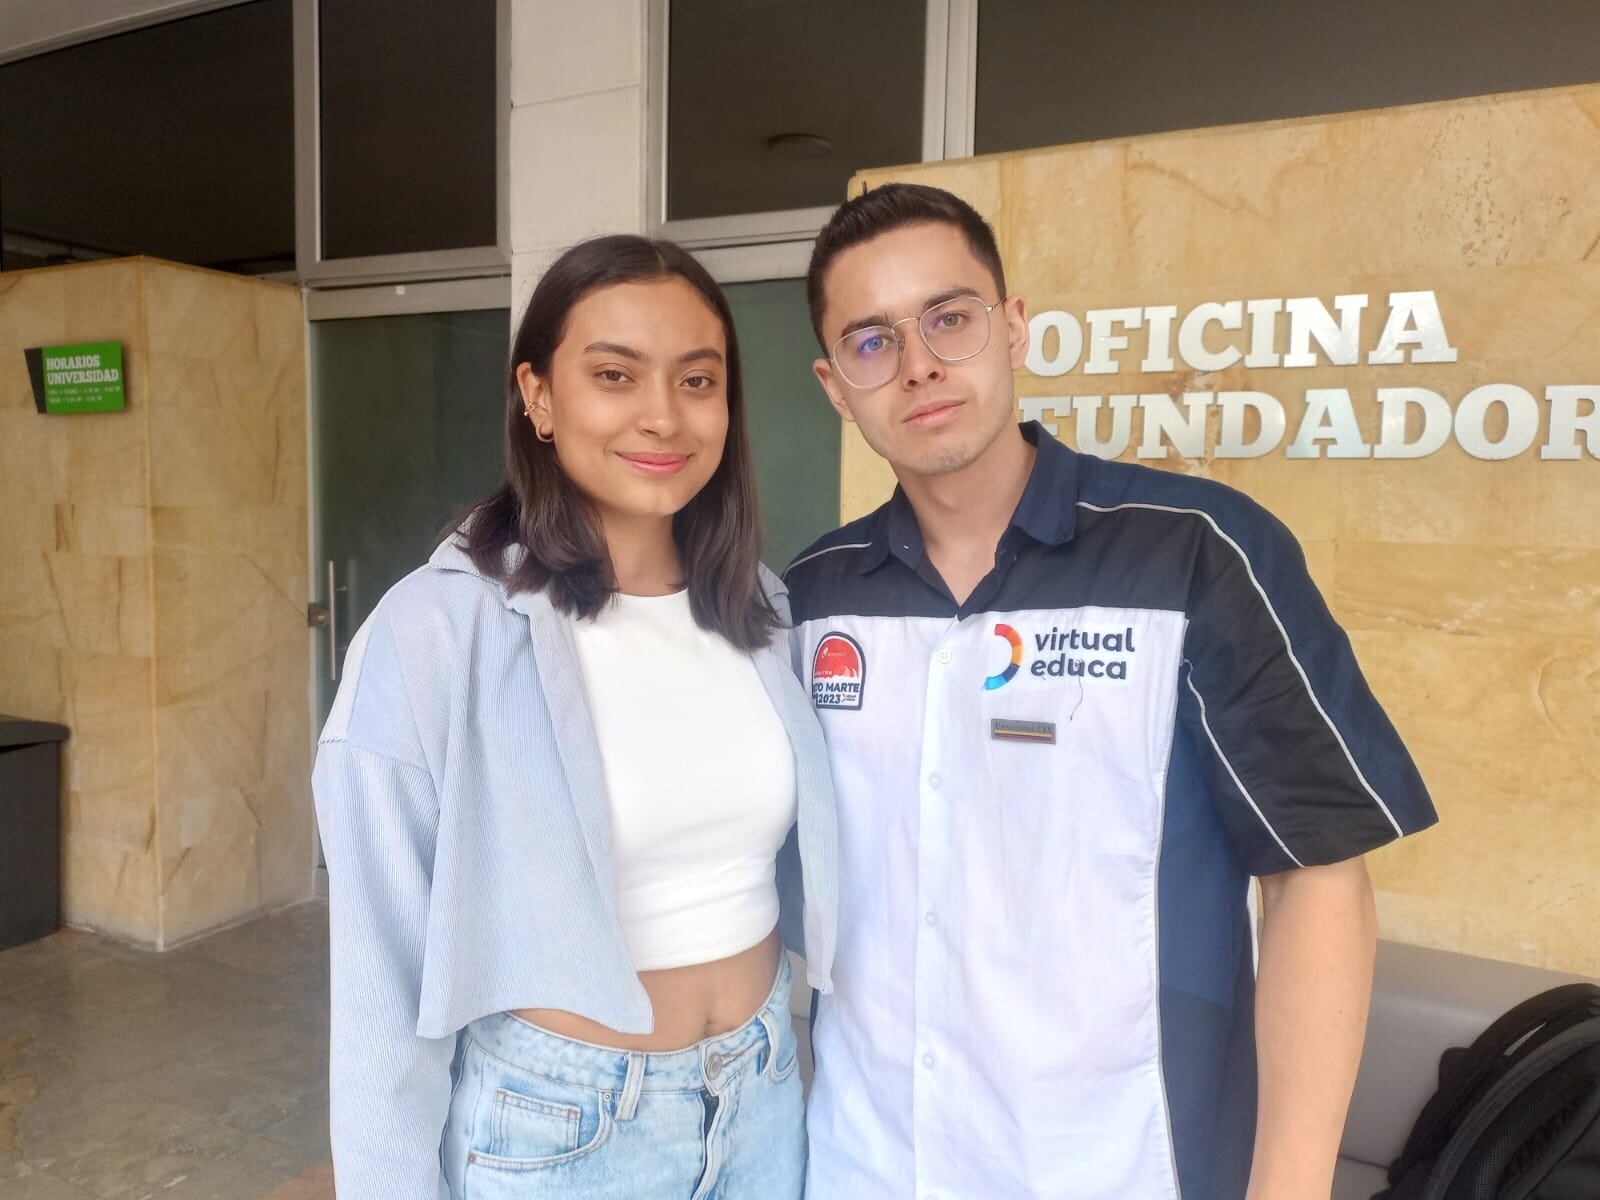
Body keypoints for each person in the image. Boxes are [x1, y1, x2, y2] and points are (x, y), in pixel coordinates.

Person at [784, 183, 1437, 1199]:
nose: (918, 365)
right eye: (871, 342)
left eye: (948, 318)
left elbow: (1316, 876)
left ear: (1013, 327)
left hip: (1122, 1164)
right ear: (835, 386)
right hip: (863, 1163)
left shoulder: (1193, 553)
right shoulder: (812, 596)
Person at [312, 234, 837, 1200]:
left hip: (764, 1095)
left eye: (697, 379)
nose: (663, 415)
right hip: (562, 1127)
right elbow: (380, 973)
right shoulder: (438, 631)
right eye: (614, 375)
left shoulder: (760, 608)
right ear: (539, 396)